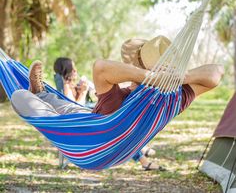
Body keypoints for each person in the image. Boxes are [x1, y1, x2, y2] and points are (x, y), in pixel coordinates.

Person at [11, 36, 224, 170]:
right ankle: (41, 93)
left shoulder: (169, 97)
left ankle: (38, 96)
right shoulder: (175, 99)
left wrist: (179, 77)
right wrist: (160, 77)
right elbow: (214, 75)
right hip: (88, 126)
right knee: (69, 108)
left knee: (19, 96)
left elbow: (101, 67)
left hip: (90, 145)